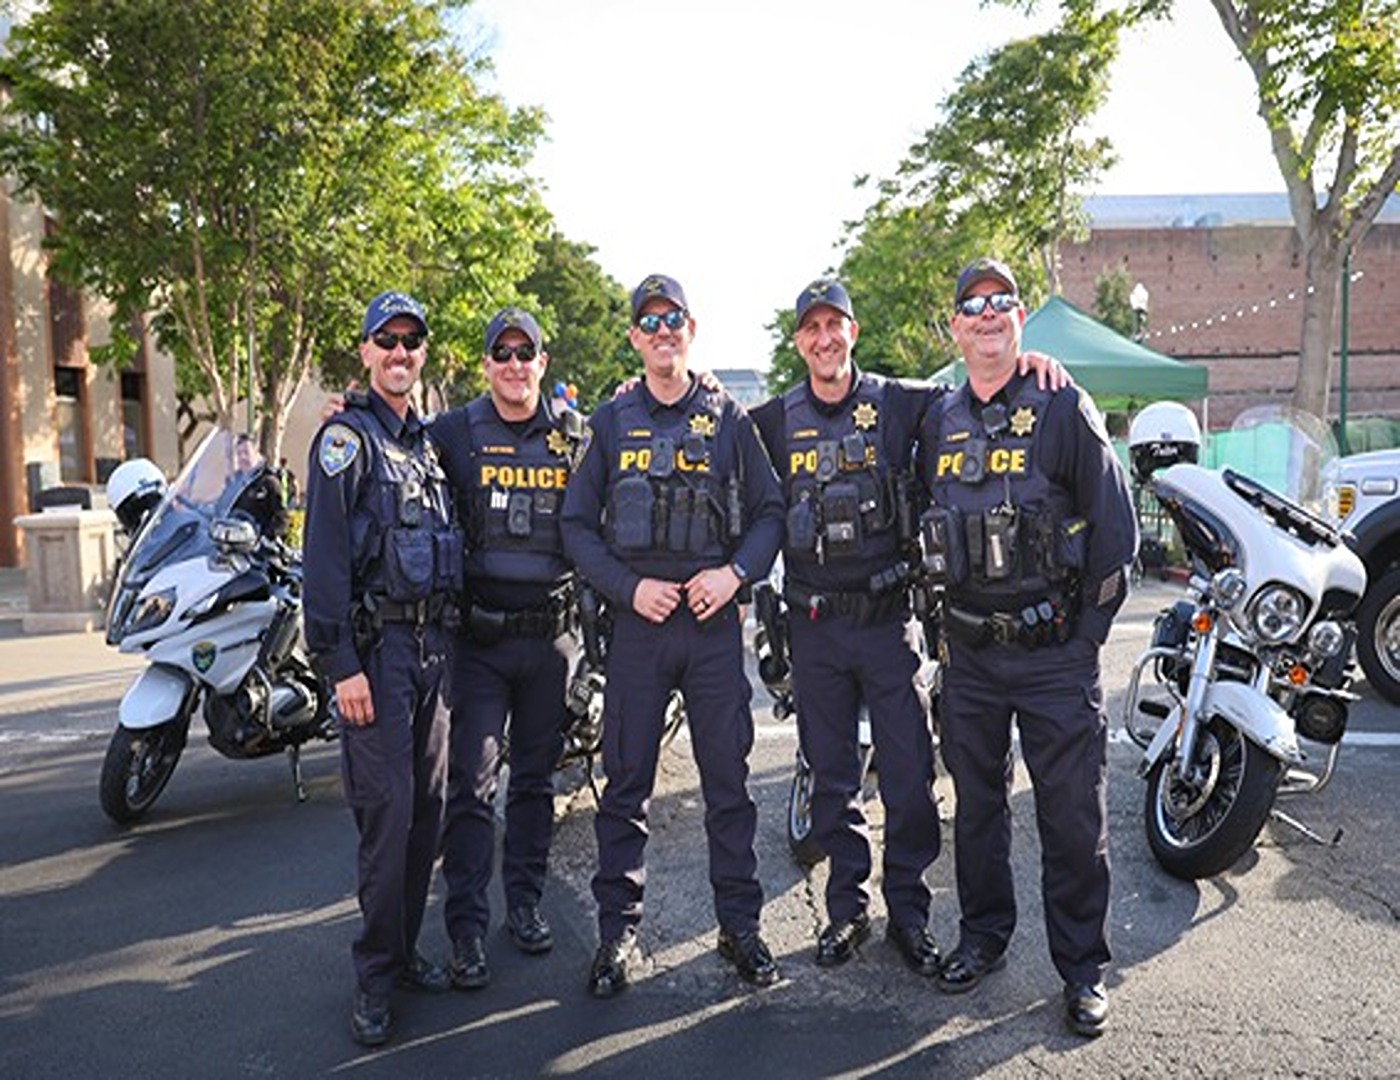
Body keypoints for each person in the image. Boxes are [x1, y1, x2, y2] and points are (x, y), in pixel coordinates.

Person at [748, 279, 1068, 978]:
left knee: (909, 777)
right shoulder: (771, 421)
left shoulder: (903, 403)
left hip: (891, 623)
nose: (825, 339)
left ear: (853, 332)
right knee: (833, 780)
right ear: (798, 341)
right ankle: (846, 909)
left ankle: (910, 915)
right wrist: (648, 390)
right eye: (812, 329)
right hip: (814, 628)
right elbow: (709, 434)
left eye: (837, 325)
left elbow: (984, 385)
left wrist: (1034, 362)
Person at [917, 258, 1137, 1038]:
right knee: (977, 811)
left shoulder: (1060, 403)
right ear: (955, 326)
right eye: (971, 305)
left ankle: (1082, 970)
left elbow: (1116, 535)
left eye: (1001, 303)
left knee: (1073, 819)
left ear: (1020, 320)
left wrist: (1085, 643)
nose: (986, 316)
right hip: (971, 657)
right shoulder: (936, 420)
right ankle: (983, 935)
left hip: (1053, 657)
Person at [560, 273, 785, 998]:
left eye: (674, 320)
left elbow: (770, 512)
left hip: (712, 627)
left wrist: (737, 574)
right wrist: (628, 589)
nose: (662, 332)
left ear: (692, 330)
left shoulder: (729, 419)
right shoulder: (610, 421)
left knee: (729, 786)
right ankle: (616, 935)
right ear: (635, 337)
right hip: (640, 630)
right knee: (625, 787)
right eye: (649, 322)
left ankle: (739, 929)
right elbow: (574, 526)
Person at [302, 291, 463, 1048]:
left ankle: (401, 955)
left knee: (426, 812)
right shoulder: (345, 441)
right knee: (387, 816)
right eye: (386, 340)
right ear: (364, 351)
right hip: (377, 658)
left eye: (411, 341)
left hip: (434, 653)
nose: (400, 353)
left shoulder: (426, 447)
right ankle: (372, 978)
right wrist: (341, 666)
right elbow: (325, 562)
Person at [431, 307, 583, 989]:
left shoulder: (574, 437)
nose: (516, 364)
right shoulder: (455, 434)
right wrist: (352, 416)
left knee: (534, 783)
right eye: (503, 352)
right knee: (469, 785)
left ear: (542, 364)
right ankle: (465, 926)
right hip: (480, 643)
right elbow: (396, 443)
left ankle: (522, 904)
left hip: (551, 643)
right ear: (486, 363)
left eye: (527, 353)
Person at [231, 434, 289, 541]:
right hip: (233, 543)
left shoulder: (269, 482)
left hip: (256, 549)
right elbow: (221, 508)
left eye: (246, 452)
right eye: (239, 454)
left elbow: (282, 519)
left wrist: (265, 537)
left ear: (256, 453)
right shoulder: (234, 483)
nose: (242, 457)